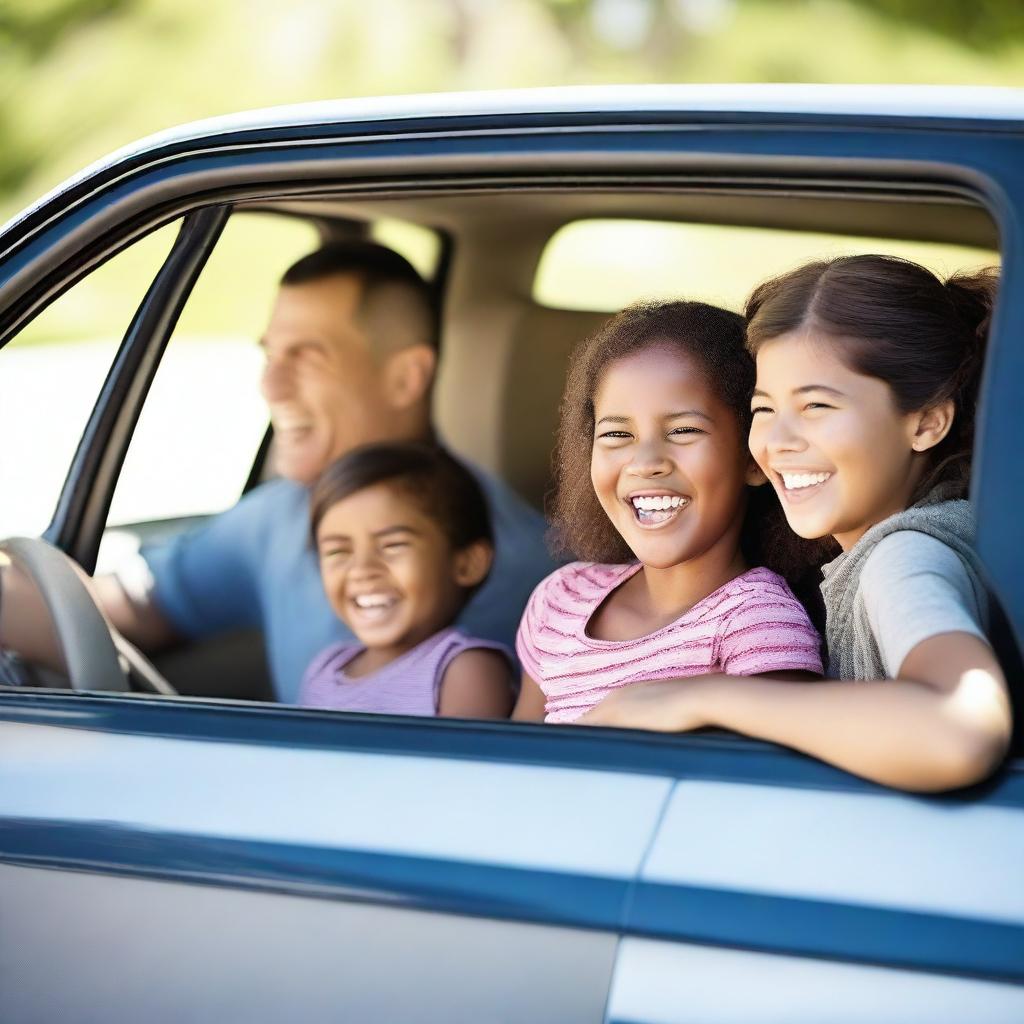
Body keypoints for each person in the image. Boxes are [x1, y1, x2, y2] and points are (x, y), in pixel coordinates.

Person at [0, 242, 554, 702]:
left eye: (306, 358)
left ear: (407, 378)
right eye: (271, 356)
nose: (271, 386)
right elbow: (122, 611)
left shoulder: (524, 568)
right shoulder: (281, 511)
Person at [580, 256, 1012, 793]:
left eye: (816, 406)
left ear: (926, 421)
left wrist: (698, 694)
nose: (778, 441)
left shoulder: (903, 558)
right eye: (764, 410)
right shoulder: (914, 541)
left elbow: (960, 729)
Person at [512, 300, 823, 724]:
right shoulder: (560, 600)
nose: (645, 462)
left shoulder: (758, 622)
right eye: (617, 434)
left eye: (682, 431)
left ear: (752, 456)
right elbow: (515, 768)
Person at [299, 442, 513, 718]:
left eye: (392, 546)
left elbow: (460, 761)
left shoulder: (464, 669)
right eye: (338, 551)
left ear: (466, 564)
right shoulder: (324, 669)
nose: (362, 569)